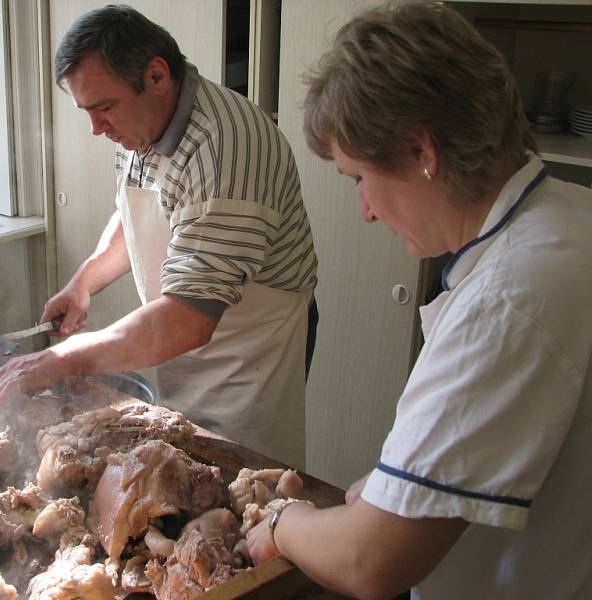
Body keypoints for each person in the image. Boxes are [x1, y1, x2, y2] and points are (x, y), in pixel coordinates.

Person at [246, 2, 592, 599]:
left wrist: (282, 523)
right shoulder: (568, 211)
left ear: (419, 151)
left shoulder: (504, 301)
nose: (367, 210)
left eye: (359, 178)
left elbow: (369, 563)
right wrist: (396, 491)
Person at [0, 4, 318, 469]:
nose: (96, 128)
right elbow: (139, 211)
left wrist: (66, 357)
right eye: (87, 110)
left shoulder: (224, 148)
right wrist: (86, 280)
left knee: (244, 483)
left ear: (157, 76)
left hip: (248, 352)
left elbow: (190, 318)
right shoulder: (142, 127)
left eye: (104, 108)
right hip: (185, 330)